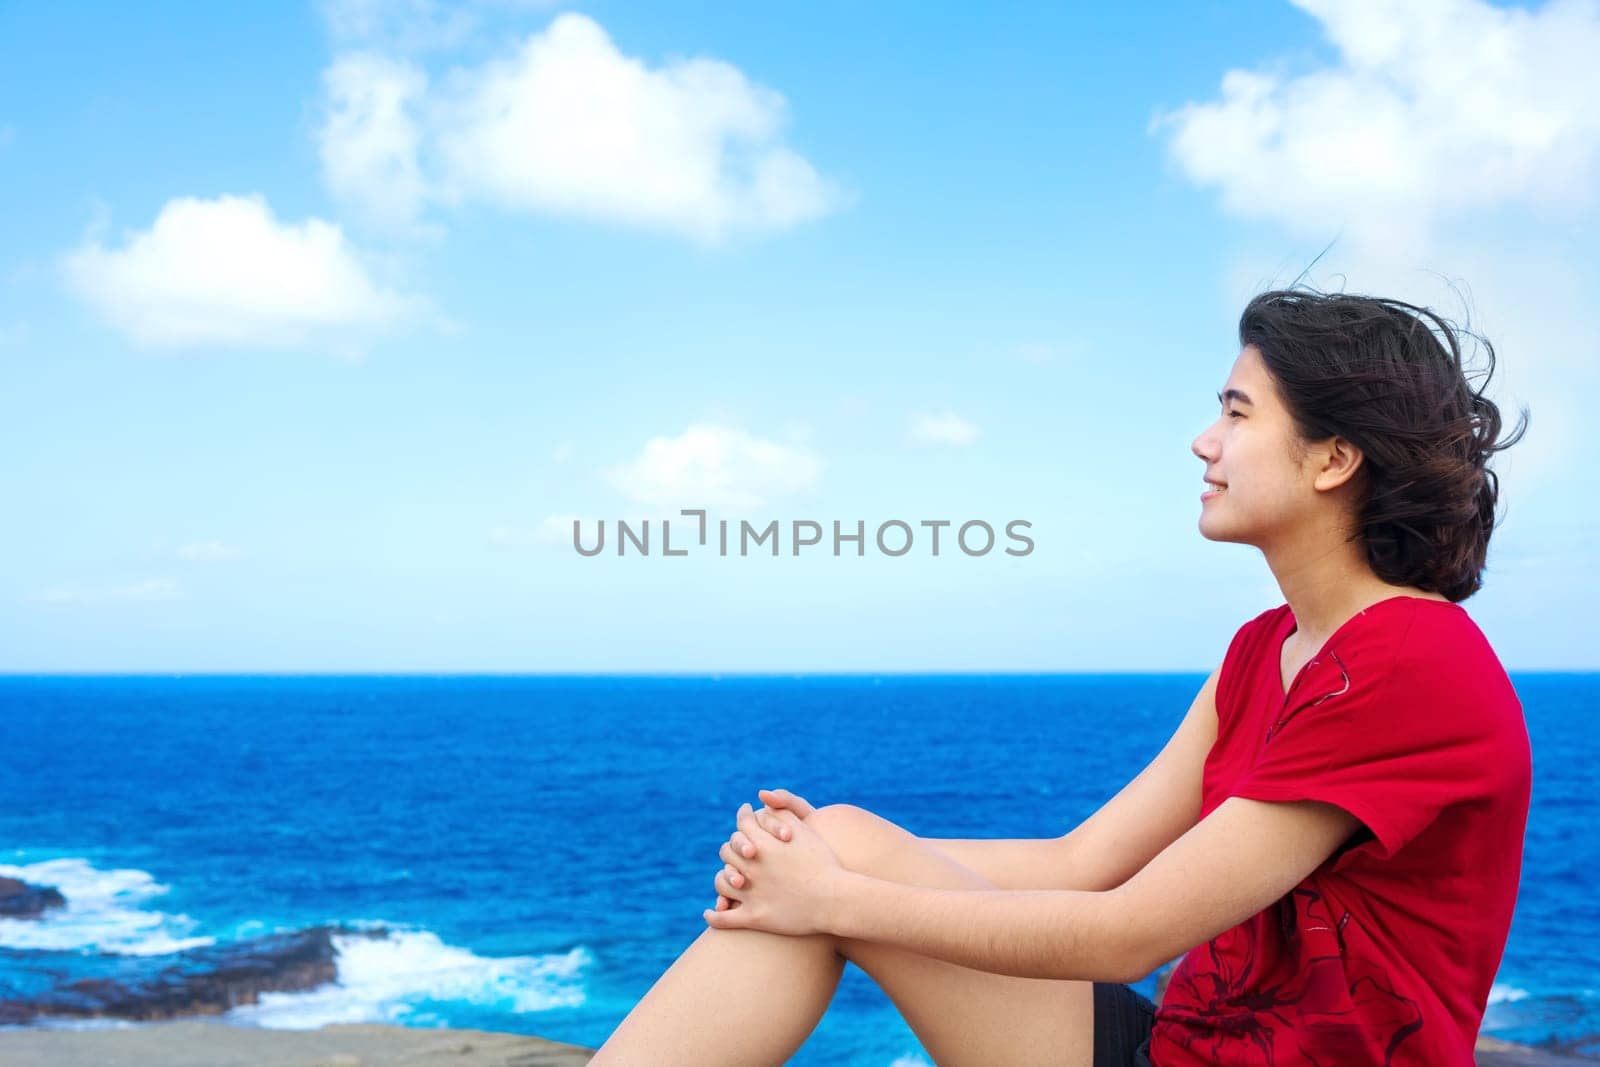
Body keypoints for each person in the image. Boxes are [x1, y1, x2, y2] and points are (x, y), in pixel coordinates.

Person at [588, 287, 1533, 1066]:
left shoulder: (1412, 662)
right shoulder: (1265, 649)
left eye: (1237, 413)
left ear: (1335, 457)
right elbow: (1081, 863)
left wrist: (834, 899)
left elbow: (1129, 931)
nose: (1204, 441)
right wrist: (815, 862)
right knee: (830, 838)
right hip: (1169, 1049)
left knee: (827, 880)